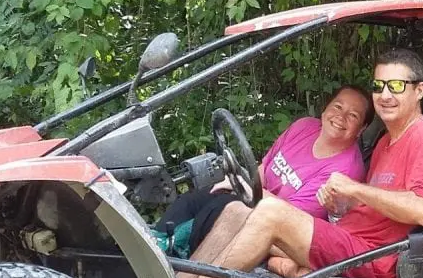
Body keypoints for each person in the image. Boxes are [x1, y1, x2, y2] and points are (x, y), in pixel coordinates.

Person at [177, 48, 423, 278]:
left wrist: (355, 188)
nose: (385, 95)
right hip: (347, 240)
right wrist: (343, 205)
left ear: (419, 90)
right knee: (238, 210)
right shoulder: (386, 141)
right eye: (379, 86)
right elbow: (378, 205)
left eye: (397, 86)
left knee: (271, 214)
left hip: (376, 258)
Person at [153, 84, 371, 259]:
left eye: (353, 116)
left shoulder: (345, 169)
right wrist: (242, 182)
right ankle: (154, 243)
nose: (340, 117)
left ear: (361, 129)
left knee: (221, 208)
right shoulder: (304, 127)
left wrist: (243, 187)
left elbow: (286, 215)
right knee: (196, 198)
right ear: (325, 108)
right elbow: (264, 169)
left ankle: (174, 256)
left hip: (277, 227)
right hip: (256, 198)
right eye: (337, 106)